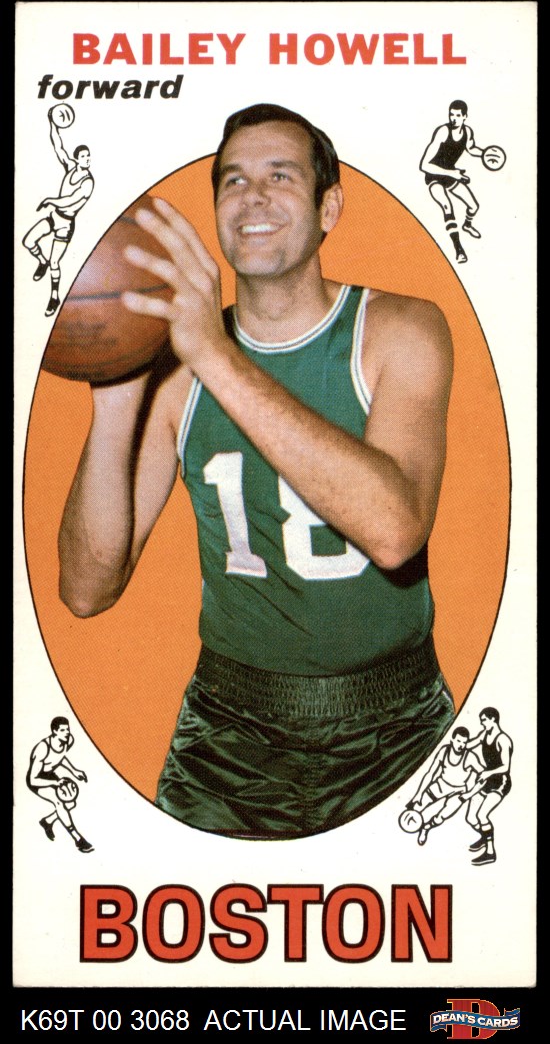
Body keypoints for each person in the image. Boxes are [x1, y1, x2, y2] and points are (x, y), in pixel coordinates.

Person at [58, 103, 455, 840]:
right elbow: (86, 590)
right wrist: (114, 393)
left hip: (394, 728)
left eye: (281, 176)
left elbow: (396, 531)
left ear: (328, 207)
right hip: (229, 732)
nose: (254, 197)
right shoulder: (176, 367)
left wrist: (214, 354)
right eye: (234, 180)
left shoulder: (400, 330)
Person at [22, 109, 94, 316]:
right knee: (28, 242)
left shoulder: (88, 182)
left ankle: (54, 297)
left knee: (56, 262)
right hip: (54, 217)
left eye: (88, 156)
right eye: (83, 156)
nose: (87, 159)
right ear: (76, 159)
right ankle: (41, 261)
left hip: (66, 224)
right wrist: (52, 123)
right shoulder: (70, 167)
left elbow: (70, 200)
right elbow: (58, 145)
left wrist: (50, 200)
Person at [420, 100, 484, 264]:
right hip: (434, 175)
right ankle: (459, 249)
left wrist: (485, 154)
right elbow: (424, 165)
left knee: (474, 206)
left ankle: (467, 225)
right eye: (451, 115)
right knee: (447, 206)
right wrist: (453, 173)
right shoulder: (443, 132)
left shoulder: (467, 132)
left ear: (465, 117)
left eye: (457, 115)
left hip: (451, 174)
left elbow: (471, 148)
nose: (453, 118)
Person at [26, 716, 93, 852]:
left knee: (71, 803)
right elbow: (33, 779)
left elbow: (60, 757)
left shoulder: (69, 740)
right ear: (54, 731)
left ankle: (47, 821)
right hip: (38, 780)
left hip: (50, 775)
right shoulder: (42, 749)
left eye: (67, 729)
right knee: (59, 803)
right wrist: (56, 782)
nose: (67, 732)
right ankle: (78, 839)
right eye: (63, 730)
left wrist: (74, 771)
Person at [408, 726, 483, 845]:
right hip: (441, 785)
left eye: (464, 742)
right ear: (452, 740)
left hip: (458, 790)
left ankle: (426, 828)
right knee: (416, 808)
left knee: (441, 817)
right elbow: (430, 773)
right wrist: (419, 794)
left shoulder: (470, 757)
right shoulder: (444, 751)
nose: (461, 745)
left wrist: (471, 792)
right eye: (458, 741)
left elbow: (484, 775)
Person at [464, 707, 513, 865]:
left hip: (500, 782)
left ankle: (490, 852)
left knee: (482, 815)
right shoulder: (484, 734)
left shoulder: (503, 739)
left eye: (484, 720)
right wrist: (458, 744)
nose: (482, 723)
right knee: (470, 817)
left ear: (493, 719)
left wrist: (488, 773)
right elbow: (471, 744)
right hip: (487, 780)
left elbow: (506, 767)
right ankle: (485, 837)